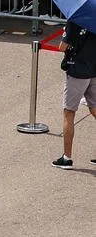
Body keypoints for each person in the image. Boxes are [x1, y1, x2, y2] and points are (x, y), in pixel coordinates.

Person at [53, 14, 96, 168]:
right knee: (94, 108)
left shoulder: (76, 18)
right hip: (94, 69)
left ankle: (67, 157)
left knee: (69, 113)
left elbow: (62, 46)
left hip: (77, 71)